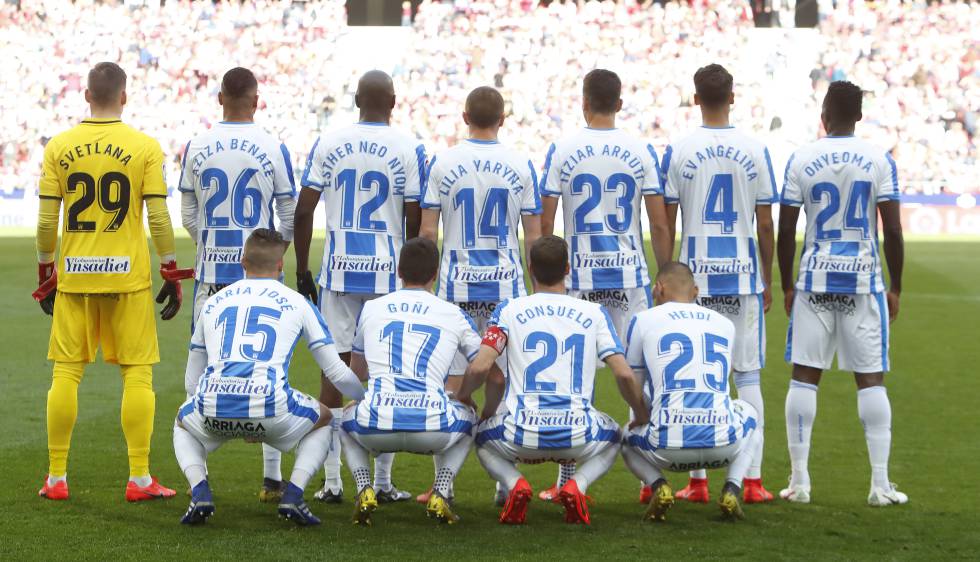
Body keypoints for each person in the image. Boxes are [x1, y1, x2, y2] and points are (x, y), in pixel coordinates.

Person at [34, 62, 192, 502]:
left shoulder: (59, 147)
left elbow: (48, 220)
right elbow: (158, 216)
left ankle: (57, 477)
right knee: (137, 375)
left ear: (87, 96)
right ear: (124, 96)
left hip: (75, 278)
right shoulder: (143, 146)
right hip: (128, 278)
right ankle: (140, 478)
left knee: (66, 373)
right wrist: (171, 267)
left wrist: (46, 269)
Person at [537, 68, 671, 503]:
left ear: (584, 101)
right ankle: (650, 477)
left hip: (578, 276)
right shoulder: (640, 150)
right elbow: (657, 220)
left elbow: (545, 220)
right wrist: (666, 272)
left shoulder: (564, 149)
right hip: (629, 274)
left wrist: (544, 274)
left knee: (572, 374)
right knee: (642, 371)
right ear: (619, 102)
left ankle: (565, 482)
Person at [174, 229, 367, 526]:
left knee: (181, 423)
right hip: (270, 407)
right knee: (325, 419)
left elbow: (190, 380)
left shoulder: (213, 303)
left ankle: (200, 488)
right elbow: (337, 374)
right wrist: (366, 398)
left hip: (214, 405)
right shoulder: (299, 303)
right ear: (281, 266)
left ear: (242, 262)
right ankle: (294, 494)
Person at [295, 70, 426, 504]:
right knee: (387, 370)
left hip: (338, 271)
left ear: (355, 99)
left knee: (332, 372)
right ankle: (383, 483)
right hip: (388, 274)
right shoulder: (409, 147)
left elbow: (304, 209)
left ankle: (332, 480)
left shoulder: (329, 142)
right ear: (393, 100)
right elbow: (414, 219)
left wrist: (301, 269)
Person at [456, 235, 649, 525]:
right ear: (568, 269)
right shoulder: (594, 312)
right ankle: (576, 486)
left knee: (480, 438)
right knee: (615, 438)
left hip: (521, 433)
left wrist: (463, 396)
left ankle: (515, 484)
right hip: (578, 435)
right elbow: (623, 372)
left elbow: (481, 367)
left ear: (530, 268)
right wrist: (642, 413)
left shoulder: (508, 310)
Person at [777, 80, 907, 507]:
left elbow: (785, 229)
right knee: (870, 381)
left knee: (804, 376)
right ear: (859, 116)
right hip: (863, 281)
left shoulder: (802, 157)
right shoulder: (879, 159)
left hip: (815, 281)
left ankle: (799, 483)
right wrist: (896, 286)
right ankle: (879, 485)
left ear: (824, 115)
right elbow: (891, 229)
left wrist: (787, 284)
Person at [177, 66, 297, 502]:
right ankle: (271, 478)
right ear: (256, 99)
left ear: (219, 97)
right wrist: (270, 253)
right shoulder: (273, 145)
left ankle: (199, 477)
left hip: (213, 277)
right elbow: (287, 213)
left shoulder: (197, 145)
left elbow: (189, 214)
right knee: (271, 367)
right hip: (264, 278)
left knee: (200, 369)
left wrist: (212, 246)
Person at [418, 85, 542, 505]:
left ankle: (443, 486)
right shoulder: (521, 163)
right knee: (506, 381)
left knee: (453, 382)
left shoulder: (443, 162)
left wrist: (428, 285)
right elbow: (535, 237)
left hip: (455, 286)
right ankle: (505, 483)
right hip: (507, 287)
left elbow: (428, 232)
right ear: (502, 119)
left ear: (465, 115)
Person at [660, 64, 777, 504]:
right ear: (733, 96)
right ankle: (752, 479)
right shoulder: (754, 149)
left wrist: (669, 277)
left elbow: (667, 221)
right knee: (746, 375)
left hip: (693, 280)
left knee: (698, 375)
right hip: (742, 277)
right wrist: (766, 277)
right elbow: (765, 223)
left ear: (696, 98)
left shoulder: (680, 149)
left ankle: (698, 480)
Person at [340, 238, 481, 526]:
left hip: (376, 428)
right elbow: (482, 366)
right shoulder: (454, 313)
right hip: (432, 429)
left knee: (344, 419)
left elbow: (358, 371)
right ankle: (441, 490)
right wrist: (463, 394)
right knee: (471, 419)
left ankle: (364, 487)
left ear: (399, 272)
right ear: (436, 273)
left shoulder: (372, 309)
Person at [621, 262, 760, 521]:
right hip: (723, 445)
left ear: (658, 289)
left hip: (667, 450)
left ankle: (658, 486)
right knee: (752, 414)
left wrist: (642, 416)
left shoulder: (643, 320)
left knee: (624, 437)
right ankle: (731, 488)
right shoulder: (724, 324)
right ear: (695, 290)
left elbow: (632, 385)